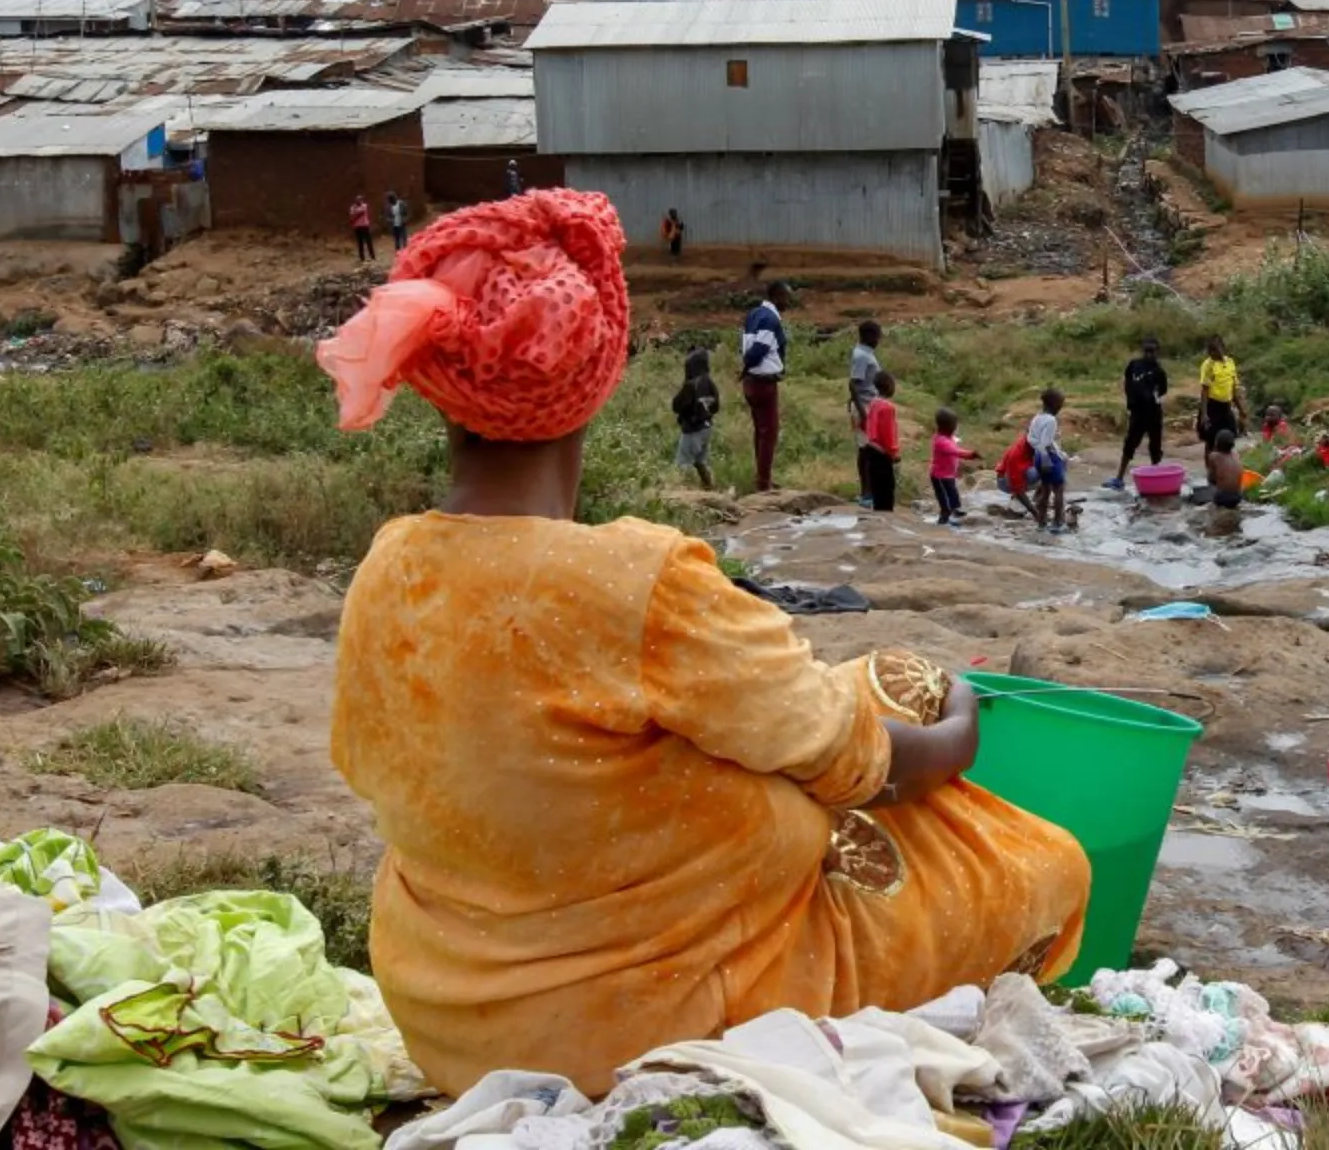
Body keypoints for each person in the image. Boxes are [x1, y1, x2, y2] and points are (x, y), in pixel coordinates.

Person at [314, 190, 1088, 1097]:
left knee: (887, 678)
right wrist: (962, 731)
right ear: (593, 380)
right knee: (1049, 862)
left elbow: (376, 760)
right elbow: (862, 765)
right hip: (655, 1019)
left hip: (447, 1019)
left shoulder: (390, 567)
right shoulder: (639, 585)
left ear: (441, 383)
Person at [739, 283, 788, 494]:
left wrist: (745, 369)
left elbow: (747, 344)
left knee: (760, 430)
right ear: (777, 296)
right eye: (786, 297)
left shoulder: (754, 314)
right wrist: (748, 364)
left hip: (751, 381)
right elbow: (759, 348)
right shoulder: (770, 319)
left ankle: (762, 476)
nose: (788, 302)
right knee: (769, 432)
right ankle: (763, 482)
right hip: (763, 381)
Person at [1109, 336, 1168, 490]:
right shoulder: (1134, 365)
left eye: (1152, 352)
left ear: (1157, 352)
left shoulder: (1159, 371)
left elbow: (1163, 390)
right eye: (1147, 351)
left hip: (1153, 413)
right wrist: (1131, 401)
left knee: (1155, 446)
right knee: (1130, 444)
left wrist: (1150, 396)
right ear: (1143, 351)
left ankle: (1156, 476)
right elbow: (1128, 382)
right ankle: (1119, 478)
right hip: (1137, 412)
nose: (1149, 355)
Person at [670, 347, 721, 489]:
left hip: (692, 430)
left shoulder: (690, 386)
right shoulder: (710, 383)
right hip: (707, 427)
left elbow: (676, 406)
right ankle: (709, 486)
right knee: (701, 461)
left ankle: (684, 492)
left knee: (683, 463)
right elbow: (716, 406)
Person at [849, 321, 884, 507]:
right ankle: (866, 494)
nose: (879, 340)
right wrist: (863, 414)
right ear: (869, 336)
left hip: (870, 406)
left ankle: (868, 492)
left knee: (868, 450)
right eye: (878, 336)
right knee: (866, 452)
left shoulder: (866, 353)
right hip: (864, 407)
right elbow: (853, 384)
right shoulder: (862, 355)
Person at [1027, 388, 1069, 534]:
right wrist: (1055, 456)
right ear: (1054, 404)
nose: (1061, 407)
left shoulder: (1036, 418)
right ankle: (1058, 523)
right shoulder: (1051, 420)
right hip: (1048, 457)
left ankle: (1042, 522)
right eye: (1060, 404)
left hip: (1038, 456)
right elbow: (1046, 442)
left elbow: (1031, 439)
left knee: (1045, 490)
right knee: (1058, 490)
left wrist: (1041, 455)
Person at [861, 371, 901, 514]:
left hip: (870, 448)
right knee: (887, 491)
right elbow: (888, 434)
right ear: (890, 386)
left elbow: (868, 426)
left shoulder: (873, 403)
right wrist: (894, 452)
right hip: (882, 453)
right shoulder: (888, 408)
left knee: (877, 490)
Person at [931, 409, 978, 527]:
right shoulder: (941, 441)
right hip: (940, 476)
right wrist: (970, 454)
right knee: (944, 497)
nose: (957, 427)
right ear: (949, 427)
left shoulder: (947, 437)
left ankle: (955, 509)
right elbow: (955, 451)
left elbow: (953, 444)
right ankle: (944, 519)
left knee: (953, 492)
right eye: (955, 424)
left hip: (948, 474)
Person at [1197, 335, 1245, 447]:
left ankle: (1224, 463)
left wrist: (1241, 409)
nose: (1212, 353)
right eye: (1210, 350)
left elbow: (1233, 388)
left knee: (1230, 437)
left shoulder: (1230, 363)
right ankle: (1211, 464)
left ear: (1223, 348)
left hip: (1226, 406)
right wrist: (1204, 414)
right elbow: (1204, 390)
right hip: (1212, 406)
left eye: (1215, 349)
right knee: (1211, 441)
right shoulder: (1208, 365)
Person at [1206, 431, 1245, 510]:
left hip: (1222, 498)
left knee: (1210, 483)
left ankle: (1216, 505)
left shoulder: (1213, 456)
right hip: (1238, 496)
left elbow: (1211, 478)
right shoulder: (1236, 455)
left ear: (1217, 443)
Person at [349, 193, 376, 264]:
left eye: (360, 199)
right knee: (360, 242)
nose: (359, 201)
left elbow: (358, 213)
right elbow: (352, 215)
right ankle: (362, 258)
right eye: (358, 199)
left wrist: (354, 213)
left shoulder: (364, 206)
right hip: (358, 227)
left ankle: (372, 256)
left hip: (364, 225)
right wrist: (354, 214)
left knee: (368, 241)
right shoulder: (353, 207)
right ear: (356, 200)